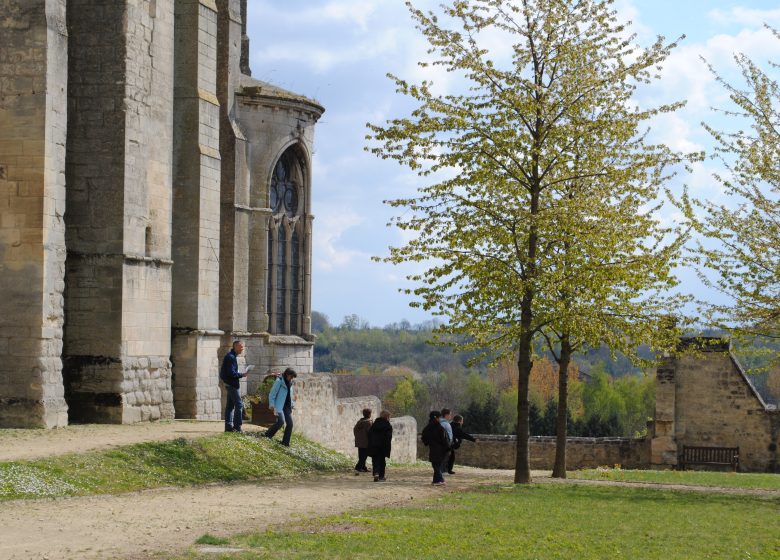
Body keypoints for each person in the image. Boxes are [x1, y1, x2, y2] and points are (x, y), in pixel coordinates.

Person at [220, 340, 248, 433]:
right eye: (241, 347)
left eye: (242, 347)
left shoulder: (232, 356)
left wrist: (240, 374)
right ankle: (237, 427)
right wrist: (242, 375)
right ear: (235, 347)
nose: (242, 349)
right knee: (239, 405)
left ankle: (228, 427)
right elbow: (231, 373)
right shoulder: (231, 357)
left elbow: (231, 372)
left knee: (230, 406)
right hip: (231, 384)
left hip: (231, 383)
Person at [265, 367, 297, 446]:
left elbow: (290, 395)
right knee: (281, 421)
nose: (292, 378)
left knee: (290, 424)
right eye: (291, 376)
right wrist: (272, 405)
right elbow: (272, 394)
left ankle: (285, 442)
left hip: (287, 407)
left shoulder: (290, 383)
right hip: (279, 406)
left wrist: (292, 404)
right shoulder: (279, 381)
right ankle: (268, 434)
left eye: (293, 377)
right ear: (287, 374)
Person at [421, 410, 449, 485]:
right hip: (440, 449)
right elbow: (444, 439)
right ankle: (440, 480)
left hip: (433, 448)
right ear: (436, 418)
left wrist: (428, 443)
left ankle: (435, 480)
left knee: (435, 464)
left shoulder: (427, 428)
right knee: (437, 465)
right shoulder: (440, 428)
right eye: (439, 418)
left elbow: (424, 438)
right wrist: (447, 448)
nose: (440, 419)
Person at [367, 410, 392, 482]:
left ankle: (376, 473)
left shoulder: (375, 424)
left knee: (375, 460)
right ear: (387, 417)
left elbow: (369, 434)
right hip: (383, 446)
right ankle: (381, 476)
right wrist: (387, 447)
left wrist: (371, 443)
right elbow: (388, 437)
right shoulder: (388, 425)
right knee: (382, 461)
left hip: (374, 446)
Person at [353, 408, 373, 473]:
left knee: (361, 455)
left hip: (359, 441)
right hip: (366, 442)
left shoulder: (360, 422)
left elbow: (355, 430)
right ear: (369, 414)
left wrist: (358, 438)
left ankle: (363, 467)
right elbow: (370, 432)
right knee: (364, 455)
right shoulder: (368, 422)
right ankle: (358, 467)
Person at [439, 408, 454, 477]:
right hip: (445, 442)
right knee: (444, 456)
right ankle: (443, 471)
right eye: (450, 415)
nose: (451, 416)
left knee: (446, 456)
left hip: (447, 442)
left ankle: (443, 470)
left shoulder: (445, 423)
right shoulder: (443, 423)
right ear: (446, 415)